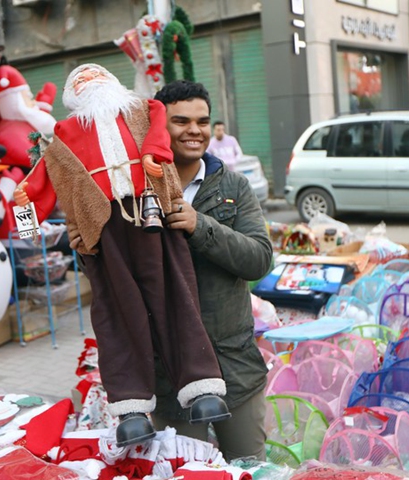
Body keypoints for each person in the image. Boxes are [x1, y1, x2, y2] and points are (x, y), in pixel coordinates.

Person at [13, 64, 229, 447]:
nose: (91, 85)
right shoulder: (63, 134)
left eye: (96, 79)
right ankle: (131, 409)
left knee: (176, 298)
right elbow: (41, 181)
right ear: (73, 97)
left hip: (154, 217)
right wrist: (25, 216)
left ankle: (201, 388)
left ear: (113, 85)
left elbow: (159, 133)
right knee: (116, 314)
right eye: (82, 83)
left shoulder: (145, 110)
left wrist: (153, 155)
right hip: (103, 232)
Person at [156, 80, 273, 460]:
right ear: (159, 125)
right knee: (183, 469)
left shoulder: (234, 187)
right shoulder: (135, 189)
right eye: (181, 121)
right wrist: (80, 246)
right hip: (170, 371)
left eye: (202, 121)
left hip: (233, 367)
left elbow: (259, 258)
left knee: (248, 466)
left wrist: (199, 225)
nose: (195, 130)